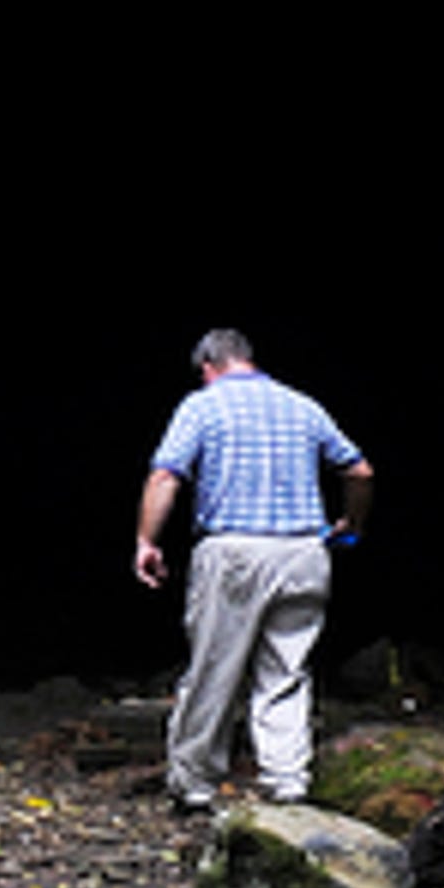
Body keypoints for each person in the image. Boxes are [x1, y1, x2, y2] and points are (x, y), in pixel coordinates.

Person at [132, 327, 372, 811]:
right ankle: (287, 780)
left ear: (207, 367)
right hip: (304, 552)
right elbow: (360, 470)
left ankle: (195, 783)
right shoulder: (302, 405)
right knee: (286, 671)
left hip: (235, 552)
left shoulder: (202, 406)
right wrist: (351, 525)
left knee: (214, 669)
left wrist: (146, 541)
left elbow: (165, 474)